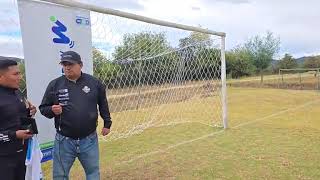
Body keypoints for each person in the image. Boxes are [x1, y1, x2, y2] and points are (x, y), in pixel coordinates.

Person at [39, 51, 112, 180]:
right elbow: (43, 108)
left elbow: (103, 104)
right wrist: (52, 110)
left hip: (89, 140)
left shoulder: (94, 83)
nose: (67, 67)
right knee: (60, 175)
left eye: (71, 64)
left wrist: (107, 123)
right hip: (64, 140)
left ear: (81, 65)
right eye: (64, 64)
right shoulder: (55, 84)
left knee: (93, 174)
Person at [0, 58, 37, 180]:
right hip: (4, 159)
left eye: (19, 73)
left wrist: (29, 112)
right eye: (15, 74)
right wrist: (14, 135)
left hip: (23, 155)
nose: (20, 77)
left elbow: (15, 116)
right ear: (1, 76)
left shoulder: (17, 93)